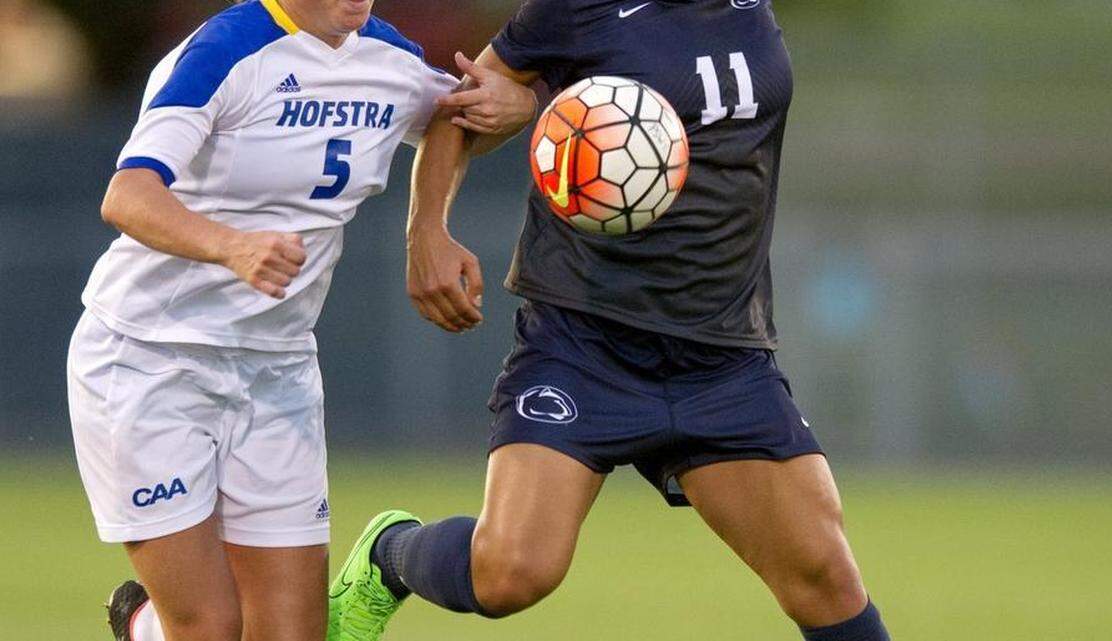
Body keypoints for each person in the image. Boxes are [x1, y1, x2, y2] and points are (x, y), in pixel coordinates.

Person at [327, 1, 893, 641]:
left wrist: (537, 107)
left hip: (722, 354)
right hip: (585, 344)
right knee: (511, 573)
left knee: (827, 582)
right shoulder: (576, 7)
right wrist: (426, 231)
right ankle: (389, 557)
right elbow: (465, 109)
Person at [67, 1, 535, 640]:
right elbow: (127, 196)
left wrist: (514, 113)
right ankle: (145, 625)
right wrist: (232, 245)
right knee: (208, 627)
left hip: (277, 367)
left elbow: (457, 117)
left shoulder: (387, 58)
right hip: (150, 358)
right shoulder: (226, 50)